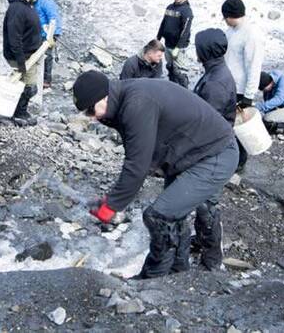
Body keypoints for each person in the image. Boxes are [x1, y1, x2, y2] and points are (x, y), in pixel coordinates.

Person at [72, 71, 238, 278]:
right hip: (188, 153)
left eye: (90, 110)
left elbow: (137, 164)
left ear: (103, 96)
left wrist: (112, 205)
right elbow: (139, 149)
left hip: (215, 154)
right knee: (174, 215)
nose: (91, 117)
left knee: (159, 215)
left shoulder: (136, 103)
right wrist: (113, 198)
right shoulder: (119, 100)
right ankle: (178, 271)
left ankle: (155, 278)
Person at [222, 0, 265, 170]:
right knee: (228, 124)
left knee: (239, 126)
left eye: (225, 16)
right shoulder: (231, 31)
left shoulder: (250, 35)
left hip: (241, 89)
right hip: (228, 85)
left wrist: (249, 95)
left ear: (232, 15)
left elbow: (254, 66)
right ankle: (230, 156)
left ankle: (240, 161)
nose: (224, 20)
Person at [2, 0, 43, 126]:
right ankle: (19, 113)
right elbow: (14, 36)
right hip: (23, 56)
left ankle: (17, 111)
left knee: (26, 85)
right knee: (29, 87)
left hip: (28, 54)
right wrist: (20, 61)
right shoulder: (17, 8)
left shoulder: (24, 6)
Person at [193, 28, 237, 124]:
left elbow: (207, 123)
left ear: (206, 51)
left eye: (198, 48)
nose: (196, 51)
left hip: (214, 137)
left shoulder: (214, 85)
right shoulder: (217, 69)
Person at [156, 0, 193, 88]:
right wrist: (158, 38)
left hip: (179, 48)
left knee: (180, 72)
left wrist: (178, 47)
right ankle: (173, 89)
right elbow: (163, 23)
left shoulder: (187, 11)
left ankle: (185, 91)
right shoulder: (170, 7)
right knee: (170, 68)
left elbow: (185, 31)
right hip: (168, 45)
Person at [31, 0, 63, 89]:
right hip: (37, 33)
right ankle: (35, 77)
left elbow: (53, 17)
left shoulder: (45, 1)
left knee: (47, 55)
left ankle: (46, 80)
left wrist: (53, 34)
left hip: (49, 32)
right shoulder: (29, 1)